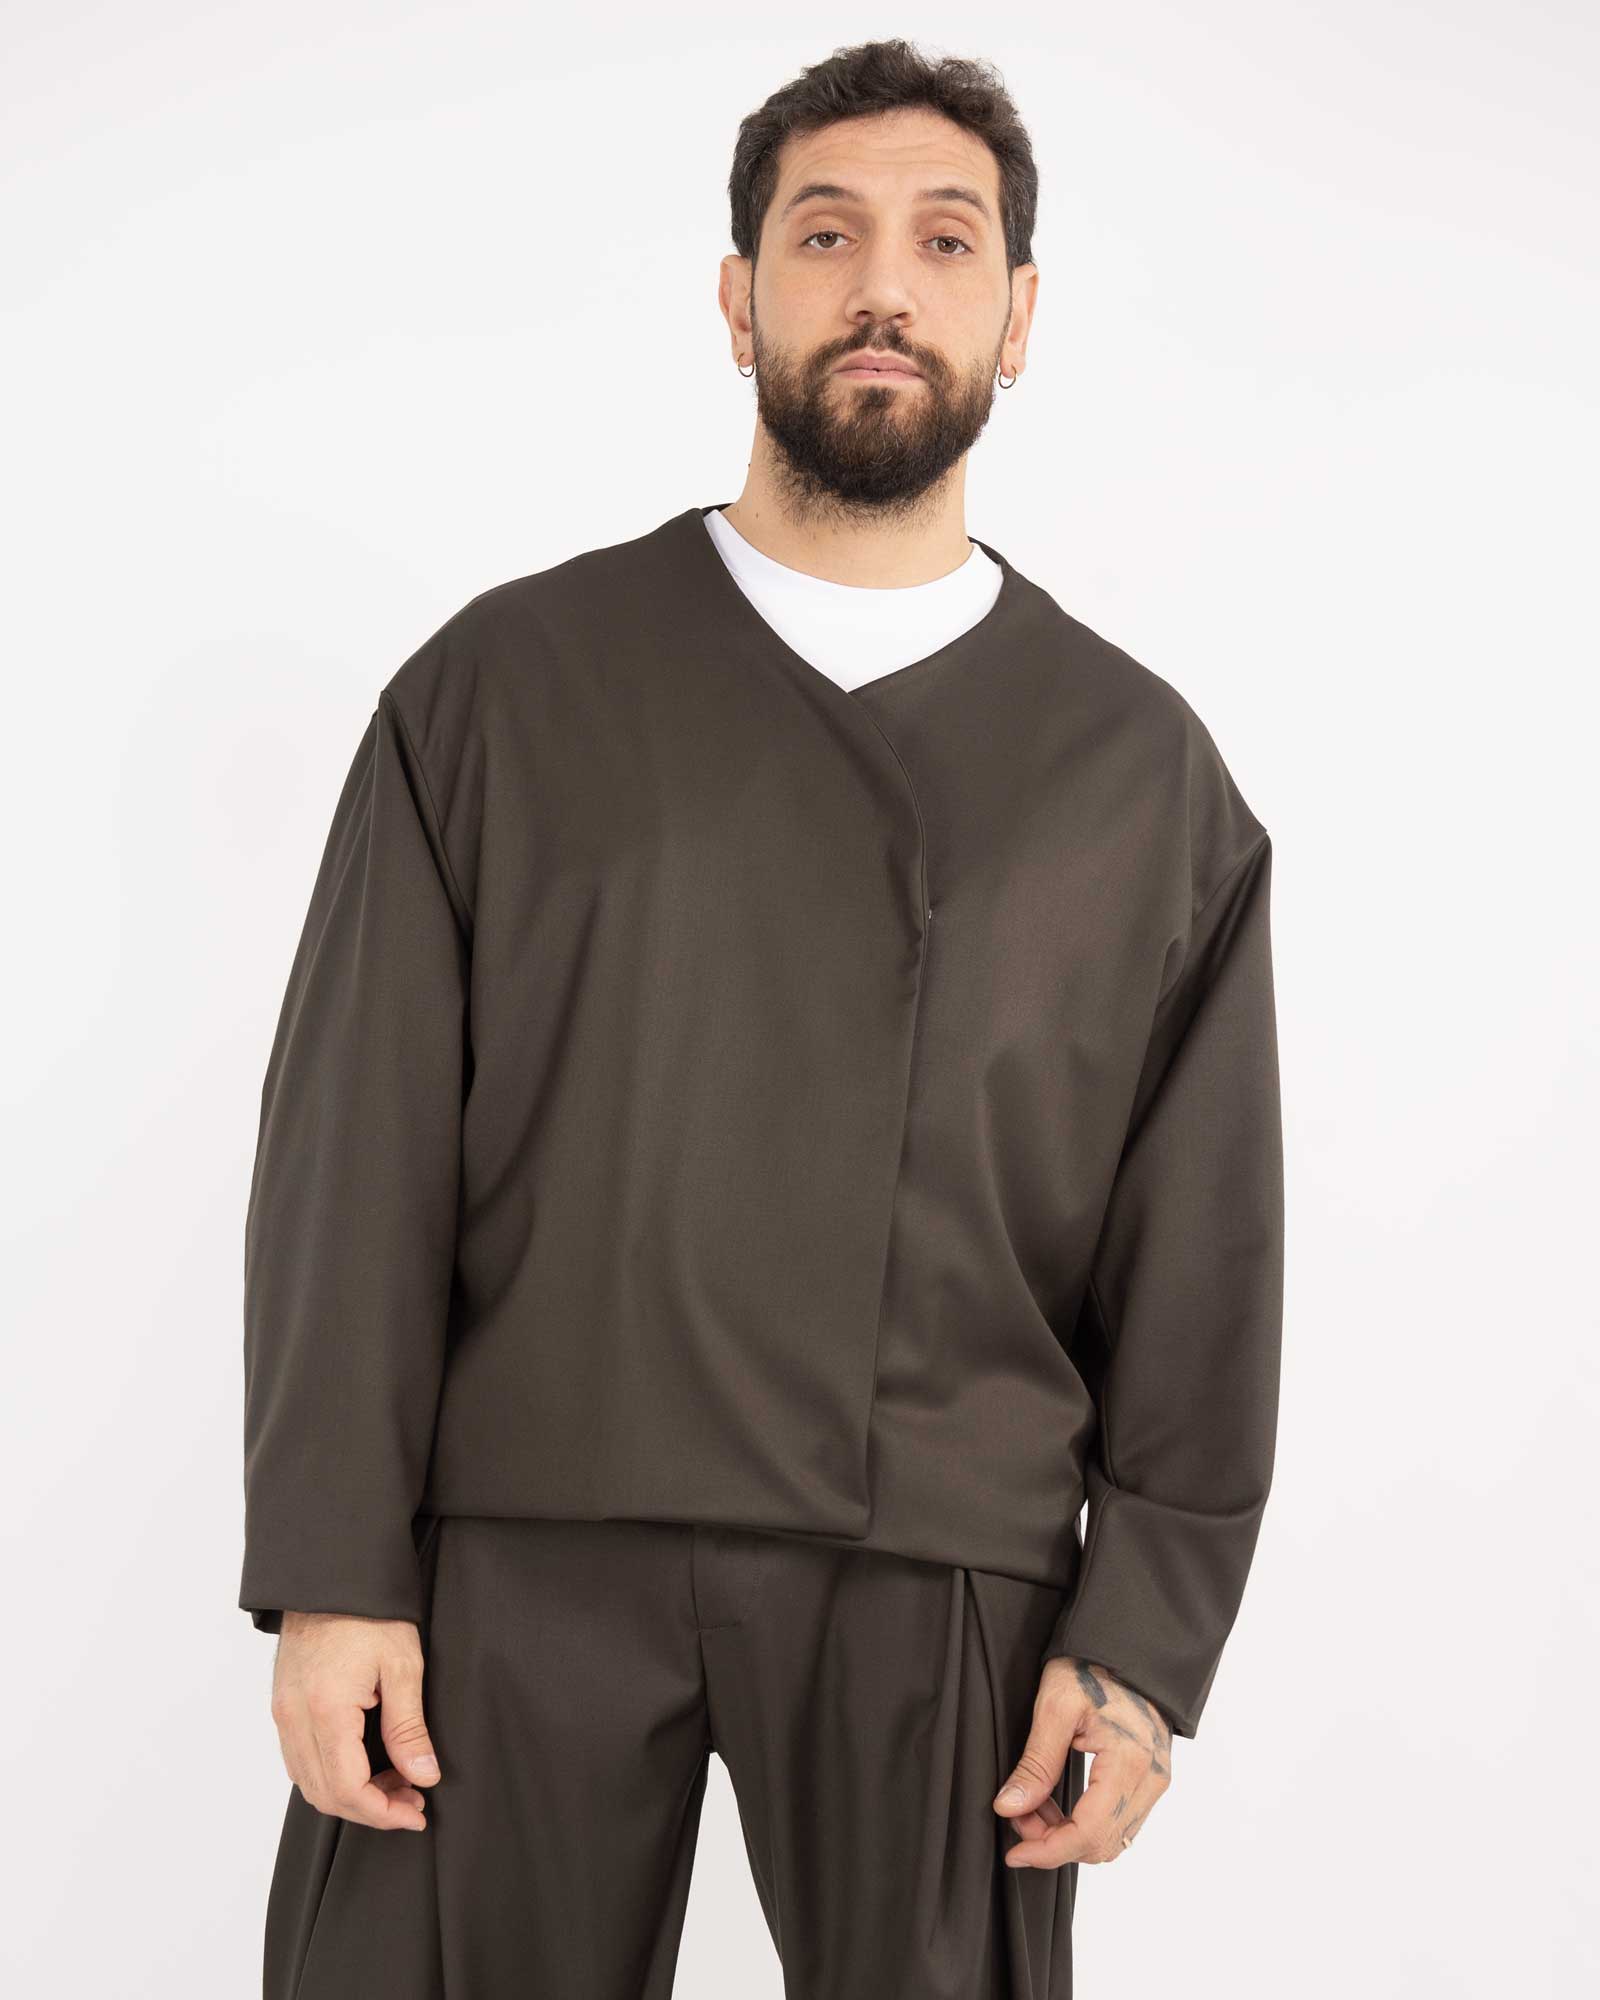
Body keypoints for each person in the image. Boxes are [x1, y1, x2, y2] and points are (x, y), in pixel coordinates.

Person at [241, 37, 1284, 2000]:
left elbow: (1202, 1254)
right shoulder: (500, 692)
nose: (882, 284)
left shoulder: (1141, 778)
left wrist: (1145, 1639)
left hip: (947, 1557)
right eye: (824, 235)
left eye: (944, 240)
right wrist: (332, 1566)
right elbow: (349, 1161)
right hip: (521, 1536)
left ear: (1017, 314)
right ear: (738, 299)